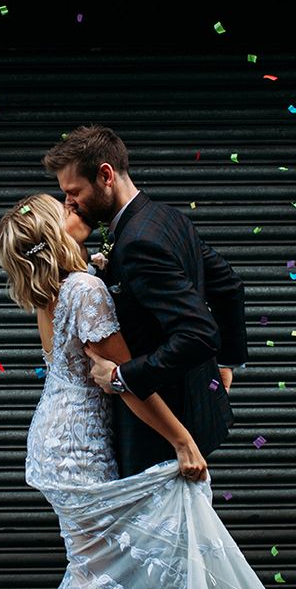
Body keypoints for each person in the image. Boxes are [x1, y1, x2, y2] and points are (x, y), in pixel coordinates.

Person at [0, 193, 294, 589]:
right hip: (80, 449)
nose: (73, 207)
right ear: (53, 234)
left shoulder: (53, 290)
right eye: (64, 210)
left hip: (51, 444)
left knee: (92, 574)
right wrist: (183, 441)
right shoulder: (84, 289)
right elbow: (125, 382)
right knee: (97, 585)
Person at [42, 124, 248, 477]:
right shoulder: (168, 217)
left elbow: (197, 334)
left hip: (159, 428)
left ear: (105, 175)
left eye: (74, 191)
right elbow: (228, 285)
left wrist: (122, 375)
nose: (69, 202)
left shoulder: (137, 242)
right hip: (193, 408)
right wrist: (228, 361)